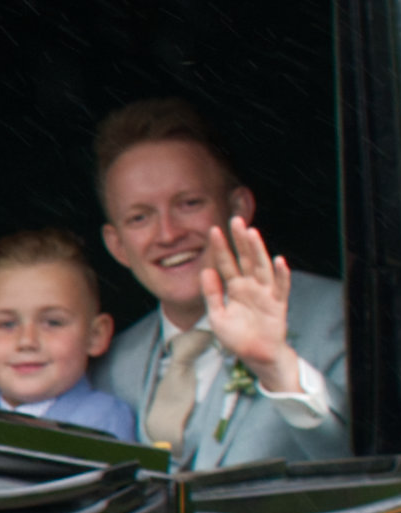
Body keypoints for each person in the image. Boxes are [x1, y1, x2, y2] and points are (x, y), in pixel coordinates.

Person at [91, 97, 353, 468]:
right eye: (139, 218)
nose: (167, 234)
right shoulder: (107, 366)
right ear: (117, 245)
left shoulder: (339, 316)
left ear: (239, 208)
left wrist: (277, 366)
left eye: (189, 203)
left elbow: (376, 463)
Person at [0, 225, 142, 441]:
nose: (27, 341)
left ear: (95, 335)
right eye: (7, 325)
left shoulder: (102, 421)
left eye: (53, 322)